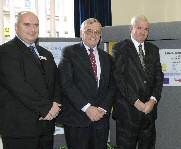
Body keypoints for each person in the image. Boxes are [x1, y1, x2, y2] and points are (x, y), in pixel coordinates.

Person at [0, 11, 61, 149]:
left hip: (46, 125)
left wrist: (55, 106)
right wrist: (46, 108)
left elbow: (56, 82)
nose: (32, 29)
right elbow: (19, 86)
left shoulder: (46, 53)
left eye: (36, 25)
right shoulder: (6, 51)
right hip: (20, 129)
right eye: (27, 24)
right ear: (16, 27)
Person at [57, 18, 116, 149]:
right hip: (77, 120)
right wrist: (87, 108)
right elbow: (66, 83)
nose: (93, 35)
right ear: (81, 32)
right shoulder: (69, 52)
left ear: (100, 35)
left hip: (100, 121)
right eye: (89, 31)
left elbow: (112, 86)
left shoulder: (107, 58)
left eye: (97, 31)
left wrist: (102, 108)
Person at [112, 15, 164, 149]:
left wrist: (152, 101)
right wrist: (137, 102)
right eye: (139, 28)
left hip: (149, 113)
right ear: (131, 28)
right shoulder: (120, 48)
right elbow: (119, 79)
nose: (143, 32)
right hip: (127, 113)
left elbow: (159, 77)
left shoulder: (153, 49)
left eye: (146, 29)